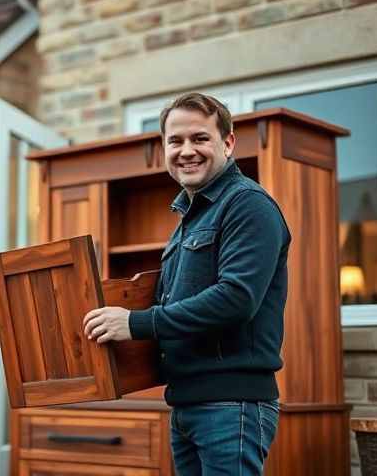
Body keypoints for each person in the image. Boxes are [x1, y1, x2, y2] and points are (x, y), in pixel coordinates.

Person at [82, 92, 291, 475]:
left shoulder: (247, 205)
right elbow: (177, 301)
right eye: (175, 141)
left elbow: (236, 298)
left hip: (232, 406)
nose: (186, 150)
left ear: (227, 143)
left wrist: (134, 323)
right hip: (187, 403)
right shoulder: (190, 216)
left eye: (199, 138)